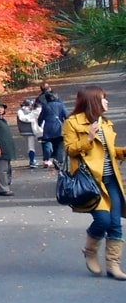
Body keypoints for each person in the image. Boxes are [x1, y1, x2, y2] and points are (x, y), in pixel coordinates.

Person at [62, 86, 126, 281]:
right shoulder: (72, 123)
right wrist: (89, 138)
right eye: (103, 99)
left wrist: (123, 152)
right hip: (91, 181)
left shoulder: (105, 123)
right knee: (103, 220)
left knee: (115, 223)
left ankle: (113, 265)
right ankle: (90, 251)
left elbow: (109, 151)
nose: (107, 102)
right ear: (93, 102)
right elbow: (70, 149)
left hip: (111, 179)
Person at [39, 91, 68, 169]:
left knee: (49, 143)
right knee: (59, 145)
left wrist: (40, 124)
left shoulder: (45, 106)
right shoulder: (60, 105)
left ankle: (51, 158)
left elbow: (41, 118)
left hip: (48, 129)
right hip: (58, 128)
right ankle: (58, 160)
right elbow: (67, 116)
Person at [16, 100, 42, 169]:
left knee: (30, 146)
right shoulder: (34, 111)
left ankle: (32, 160)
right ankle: (34, 160)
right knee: (34, 145)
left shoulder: (20, 111)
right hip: (34, 130)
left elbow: (22, 118)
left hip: (24, 131)